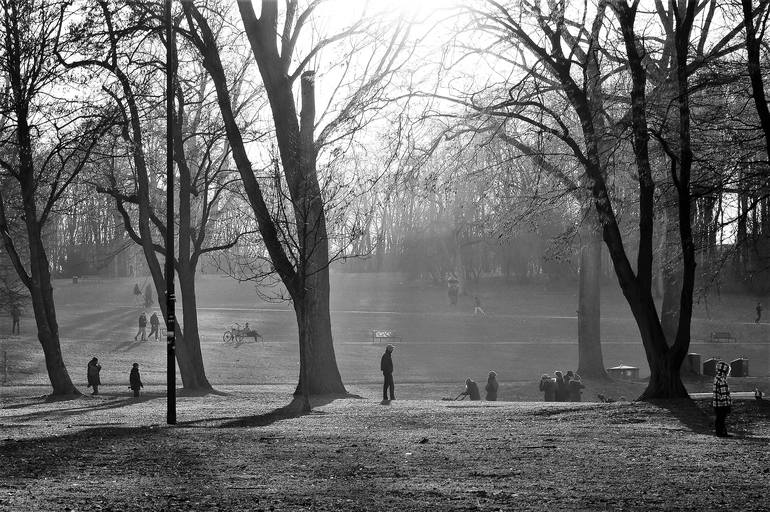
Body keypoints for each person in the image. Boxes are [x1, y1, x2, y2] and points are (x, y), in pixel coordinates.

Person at [713, 360, 731, 437]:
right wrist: (727, 405)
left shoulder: (716, 378)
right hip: (722, 404)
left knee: (719, 418)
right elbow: (724, 394)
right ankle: (721, 433)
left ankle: (720, 432)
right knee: (721, 419)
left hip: (716, 404)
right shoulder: (722, 380)